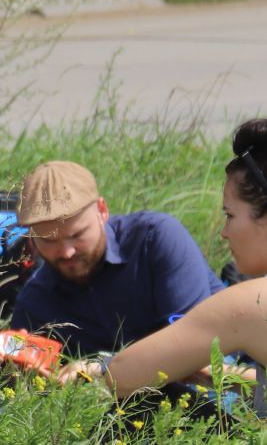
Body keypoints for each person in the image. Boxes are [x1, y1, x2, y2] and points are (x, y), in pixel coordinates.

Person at [57, 119, 267, 413]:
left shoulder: (250, 301)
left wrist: (101, 366)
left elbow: (124, 376)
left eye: (230, 215)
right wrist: (219, 375)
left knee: (143, 408)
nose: (224, 232)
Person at [8, 160, 223, 358]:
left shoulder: (155, 240)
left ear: (102, 211)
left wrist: (104, 370)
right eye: (48, 241)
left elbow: (194, 345)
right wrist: (12, 370)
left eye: (76, 235)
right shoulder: (35, 301)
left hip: (225, 374)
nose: (66, 252)